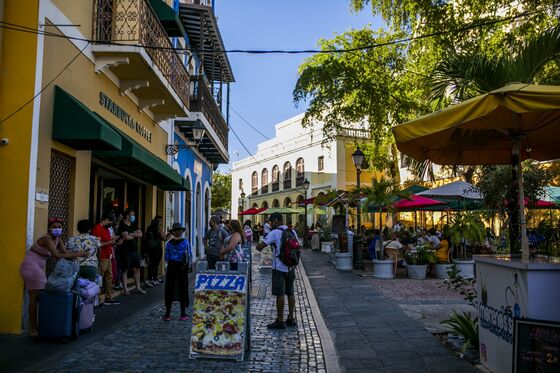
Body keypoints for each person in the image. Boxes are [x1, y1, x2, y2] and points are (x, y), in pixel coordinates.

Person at [19, 218, 87, 336]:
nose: (57, 229)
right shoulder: (47, 239)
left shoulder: (58, 240)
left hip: (39, 267)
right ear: (49, 229)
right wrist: (78, 254)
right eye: (54, 227)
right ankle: (33, 329)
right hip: (31, 266)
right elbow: (57, 255)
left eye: (59, 227)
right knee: (34, 297)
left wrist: (80, 255)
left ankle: (40, 325)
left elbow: (65, 254)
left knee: (39, 297)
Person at [256, 212, 298, 329]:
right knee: (290, 292)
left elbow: (260, 246)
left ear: (275, 221)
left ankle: (280, 320)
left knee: (280, 293)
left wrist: (258, 246)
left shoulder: (274, 233)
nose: (270, 223)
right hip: (291, 266)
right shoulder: (292, 231)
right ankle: (291, 318)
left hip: (278, 267)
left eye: (271, 221)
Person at [162, 223, 192, 321]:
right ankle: (183, 314)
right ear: (181, 232)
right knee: (182, 288)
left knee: (169, 288)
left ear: (173, 232)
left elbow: (166, 257)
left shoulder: (168, 243)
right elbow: (189, 255)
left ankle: (167, 314)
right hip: (182, 267)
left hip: (171, 266)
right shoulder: (185, 242)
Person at [91, 212, 120, 305]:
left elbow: (108, 242)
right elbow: (98, 244)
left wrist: (114, 241)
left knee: (109, 277)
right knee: (100, 278)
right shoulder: (97, 228)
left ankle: (109, 297)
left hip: (108, 256)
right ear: (106, 219)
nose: (110, 224)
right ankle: (98, 299)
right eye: (110, 221)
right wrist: (110, 241)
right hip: (101, 257)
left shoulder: (106, 229)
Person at [117, 209, 145, 295]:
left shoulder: (133, 225)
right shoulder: (122, 225)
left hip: (134, 251)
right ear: (127, 216)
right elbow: (127, 237)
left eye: (133, 215)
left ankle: (138, 287)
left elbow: (140, 234)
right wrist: (133, 234)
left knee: (137, 269)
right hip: (125, 251)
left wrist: (131, 234)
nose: (133, 216)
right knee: (125, 270)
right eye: (132, 215)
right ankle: (125, 289)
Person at [144, 215, 170, 286]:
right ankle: (153, 279)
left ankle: (150, 279)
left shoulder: (149, 228)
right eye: (161, 221)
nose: (161, 222)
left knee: (151, 264)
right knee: (155, 264)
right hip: (157, 249)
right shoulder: (158, 229)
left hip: (149, 249)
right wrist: (170, 233)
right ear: (158, 221)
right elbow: (165, 239)